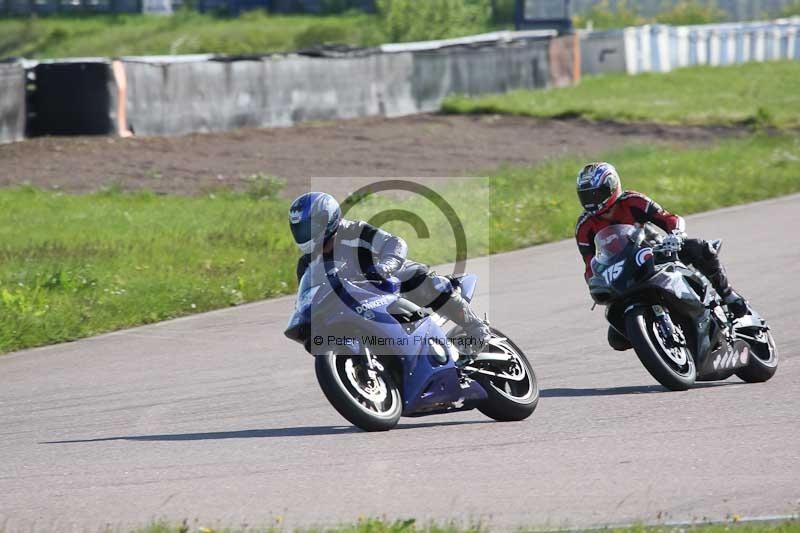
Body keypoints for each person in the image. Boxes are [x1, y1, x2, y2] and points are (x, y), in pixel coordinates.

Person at [289, 191, 490, 356]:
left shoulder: (354, 231)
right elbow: (308, 294)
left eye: (310, 227)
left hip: (389, 283)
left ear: (327, 219)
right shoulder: (307, 264)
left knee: (418, 280)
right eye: (299, 229)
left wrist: (384, 267)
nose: (305, 234)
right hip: (357, 304)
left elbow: (395, 244)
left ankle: (476, 329)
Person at [574, 162, 749, 351]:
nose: (591, 200)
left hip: (658, 253)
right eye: (586, 195)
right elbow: (589, 264)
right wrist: (594, 281)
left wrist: (675, 235)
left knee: (700, 247)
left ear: (612, 186)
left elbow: (669, 218)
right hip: (625, 271)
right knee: (617, 338)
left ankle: (728, 295)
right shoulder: (584, 226)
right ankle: (655, 336)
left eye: (596, 193)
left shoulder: (633, 200)